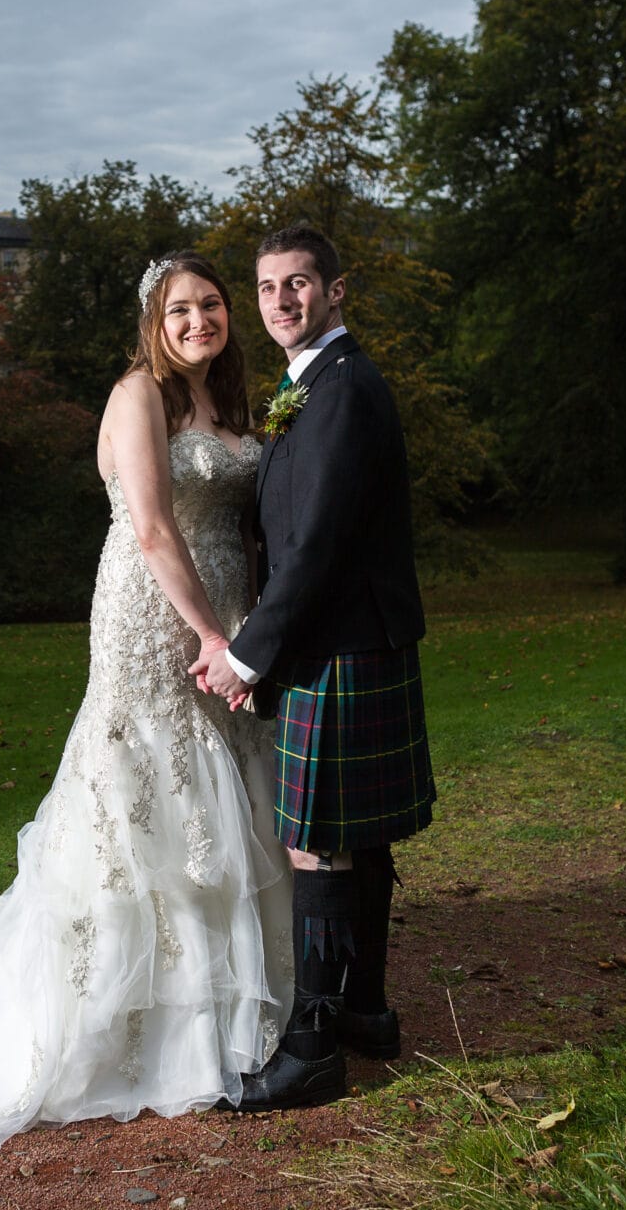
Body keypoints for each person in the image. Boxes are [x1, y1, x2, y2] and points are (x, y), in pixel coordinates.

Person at [0, 252, 293, 1154]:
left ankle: (232, 999)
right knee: (148, 787)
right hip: (159, 615)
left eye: (213, 305)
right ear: (153, 321)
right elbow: (152, 526)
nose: (200, 320)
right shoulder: (137, 395)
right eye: (180, 308)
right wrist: (211, 634)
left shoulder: (228, 407)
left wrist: (249, 624)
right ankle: (137, 1012)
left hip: (226, 615)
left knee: (226, 782)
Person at [193, 224, 437, 1112]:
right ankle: (365, 1012)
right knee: (352, 835)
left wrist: (251, 652)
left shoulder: (340, 392)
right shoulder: (322, 385)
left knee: (318, 841)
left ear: (338, 290)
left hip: (339, 642)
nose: (281, 301)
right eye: (267, 288)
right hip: (348, 639)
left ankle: (314, 1048)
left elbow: (320, 546)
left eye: (299, 284)